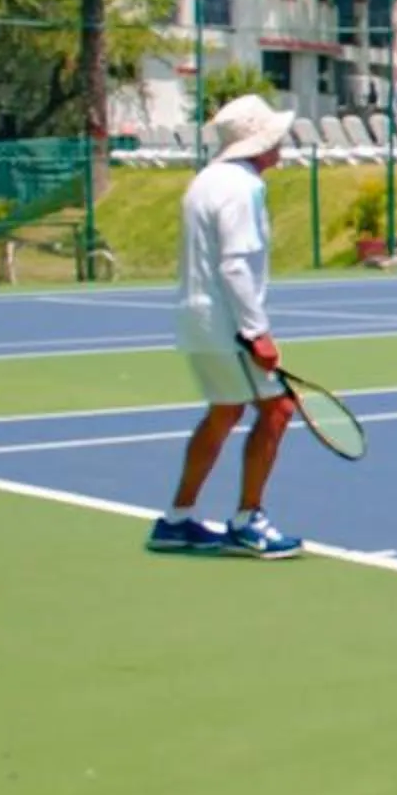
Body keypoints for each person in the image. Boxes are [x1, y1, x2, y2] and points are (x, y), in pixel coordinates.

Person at [147, 96, 307, 558]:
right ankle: (247, 520)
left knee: (224, 412)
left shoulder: (205, 181)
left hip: (198, 320)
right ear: (260, 142)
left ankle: (176, 520)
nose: (282, 144)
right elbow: (235, 265)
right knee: (277, 411)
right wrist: (257, 332)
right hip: (227, 324)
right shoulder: (242, 187)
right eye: (277, 137)